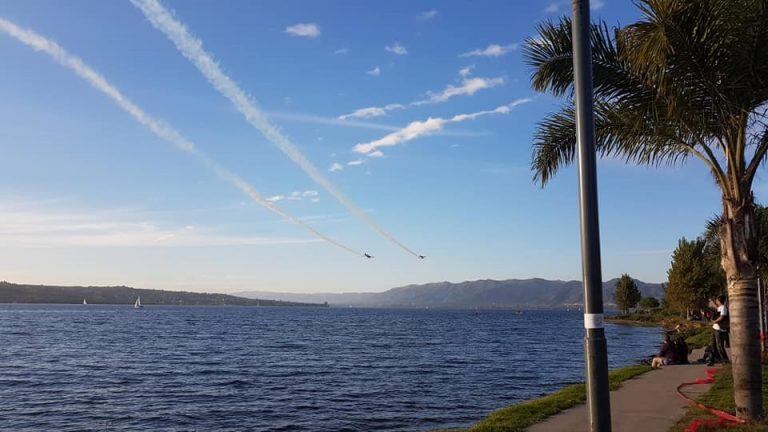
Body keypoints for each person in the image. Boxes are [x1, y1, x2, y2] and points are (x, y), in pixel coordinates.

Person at [709, 295, 730, 364]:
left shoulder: (723, 308)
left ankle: (725, 360)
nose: (716, 301)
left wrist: (715, 321)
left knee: (719, 345)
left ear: (719, 301)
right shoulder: (720, 307)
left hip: (719, 329)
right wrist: (712, 303)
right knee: (713, 344)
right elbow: (716, 308)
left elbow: (722, 317)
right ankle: (714, 359)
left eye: (717, 300)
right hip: (715, 328)